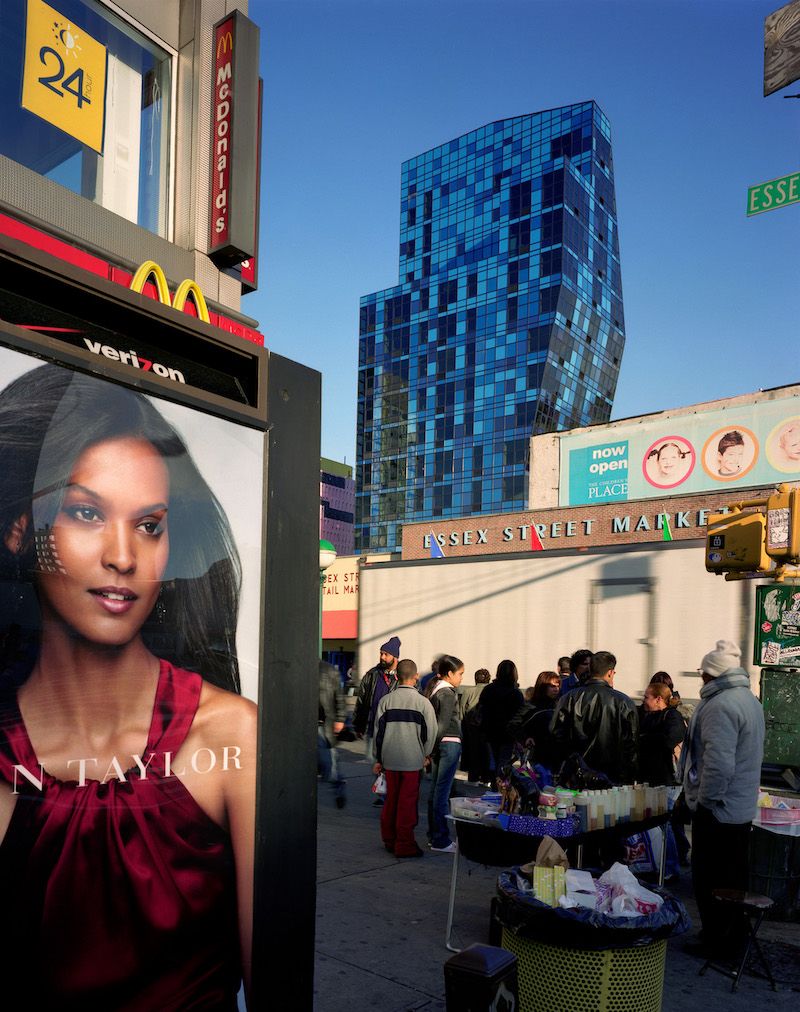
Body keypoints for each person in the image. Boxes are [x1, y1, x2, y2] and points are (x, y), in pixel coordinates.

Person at [0, 364, 255, 1008]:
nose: (123, 555)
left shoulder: (232, 738)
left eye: (149, 524)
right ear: (20, 531)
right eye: (86, 512)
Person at [680, 641, 765, 958]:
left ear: (712, 675)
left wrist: (704, 803)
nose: (700, 679)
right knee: (732, 879)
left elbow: (718, 766)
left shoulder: (720, 706)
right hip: (739, 809)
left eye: (703, 674)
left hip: (720, 810)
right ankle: (732, 936)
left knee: (711, 880)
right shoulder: (748, 699)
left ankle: (717, 940)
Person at [373, 658, 437, 858]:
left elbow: (378, 734)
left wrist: (379, 758)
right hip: (412, 761)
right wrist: (425, 754)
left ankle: (389, 839)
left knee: (391, 801)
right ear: (416, 676)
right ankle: (404, 844)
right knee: (407, 804)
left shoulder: (386, 701)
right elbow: (431, 732)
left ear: (397, 676)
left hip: (390, 760)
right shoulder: (423, 703)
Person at [550, 650, 638, 783]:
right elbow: (631, 743)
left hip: (576, 774)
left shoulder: (568, 698)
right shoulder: (624, 702)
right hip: (613, 776)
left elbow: (556, 734)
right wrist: (629, 776)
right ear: (610, 672)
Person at [427, 655, 464, 853]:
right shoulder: (448, 693)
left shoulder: (435, 691)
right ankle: (441, 838)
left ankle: (434, 836)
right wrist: (432, 748)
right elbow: (442, 724)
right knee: (442, 793)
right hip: (448, 744)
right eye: (460, 674)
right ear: (449, 674)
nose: (461, 678)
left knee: (435, 792)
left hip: (440, 745)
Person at [353, 636, 400, 770]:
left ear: (395, 657)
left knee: (391, 769)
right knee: (374, 769)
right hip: (373, 729)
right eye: (381, 653)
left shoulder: (403, 676)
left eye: (386, 654)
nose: (382, 657)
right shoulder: (372, 674)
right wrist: (358, 725)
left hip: (394, 731)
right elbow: (362, 701)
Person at [478, 659, 524, 779]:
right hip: (508, 734)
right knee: (503, 761)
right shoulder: (516, 693)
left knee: (492, 760)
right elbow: (521, 716)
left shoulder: (488, 689)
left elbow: (481, 710)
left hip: (489, 731)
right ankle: (500, 786)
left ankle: (493, 783)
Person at [507, 670, 561, 771]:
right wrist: (525, 738)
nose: (556, 689)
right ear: (543, 687)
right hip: (537, 754)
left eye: (558, 686)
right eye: (552, 686)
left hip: (557, 754)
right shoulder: (531, 706)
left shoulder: (559, 705)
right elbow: (513, 725)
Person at [637, 683, 686, 785]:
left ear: (658, 699)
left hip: (665, 779)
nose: (643, 700)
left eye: (646, 697)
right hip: (646, 778)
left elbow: (671, 739)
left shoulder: (672, 716)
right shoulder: (645, 716)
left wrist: (644, 738)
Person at [318, 659, 347, 809]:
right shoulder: (298, 667)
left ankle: (338, 787)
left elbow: (339, 697)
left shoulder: (329, 670)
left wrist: (341, 719)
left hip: (323, 725)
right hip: (304, 725)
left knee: (330, 766)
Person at [460, 668, 491, 784]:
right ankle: (485, 778)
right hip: (487, 725)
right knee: (486, 752)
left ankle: (473, 777)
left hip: (471, 726)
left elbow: (462, 709)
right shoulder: (490, 690)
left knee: (472, 751)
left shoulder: (468, 691)